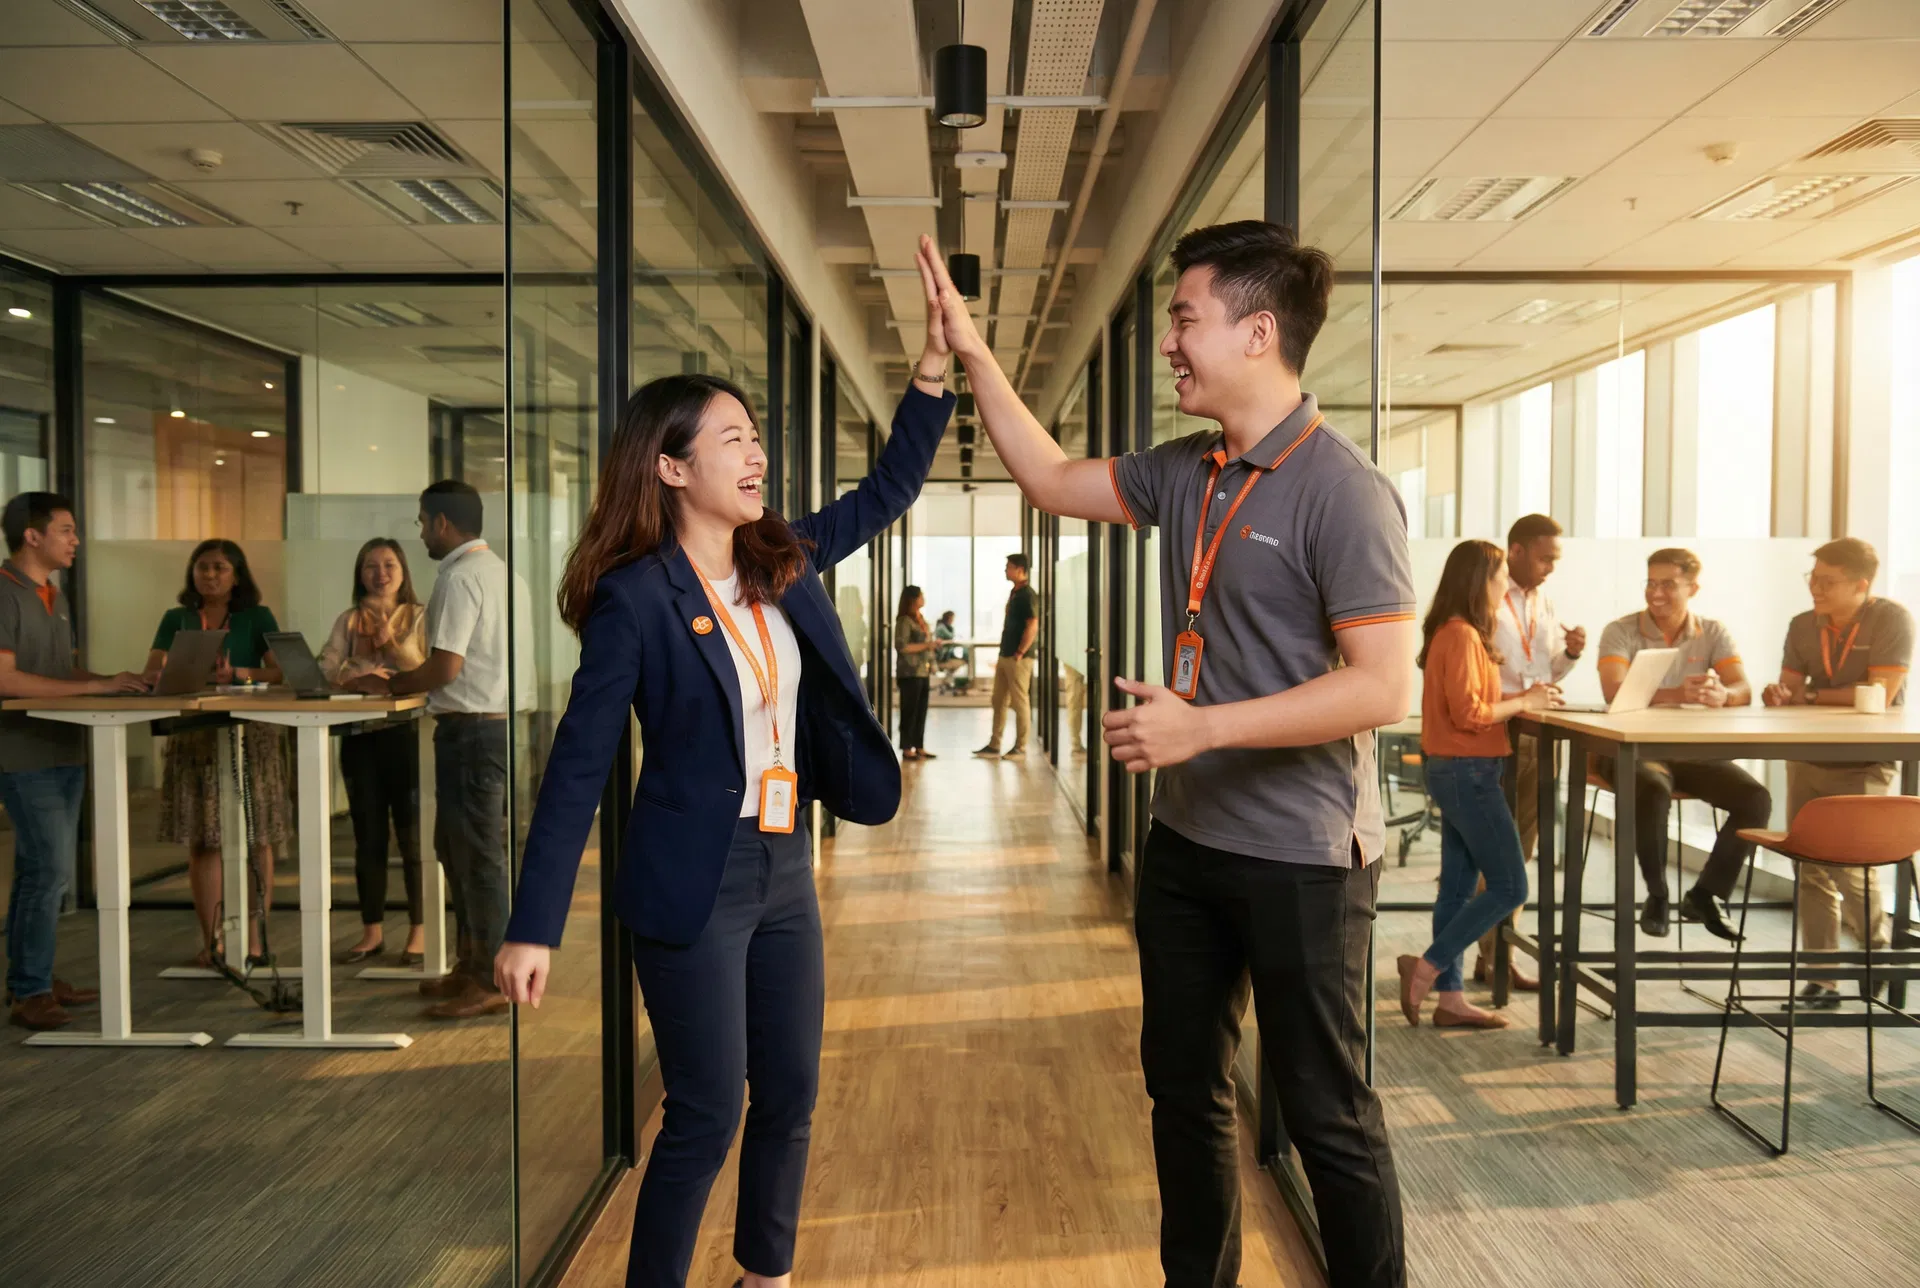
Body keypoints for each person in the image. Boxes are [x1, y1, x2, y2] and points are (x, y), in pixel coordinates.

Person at [917, 223, 1411, 1288]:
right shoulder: (1189, 469)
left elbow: (1382, 686)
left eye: (1186, 318)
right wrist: (971, 349)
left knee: (1327, 1115)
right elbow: (1050, 477)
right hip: (1188, 845)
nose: (1171, 343)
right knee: (1184, 1095)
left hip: (1304, 857)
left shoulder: (1344, 490)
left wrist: (1205, 725)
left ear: (1259, 330)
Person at [491, 354, 951, 1288]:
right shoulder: (636, 596)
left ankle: (764, 1274)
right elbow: (579, 765)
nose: (757, 456)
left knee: (789, 1094)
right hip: (693, 879)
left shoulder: (779, 558)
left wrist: (934, 375)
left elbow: (891, 487)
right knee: (705, 1113)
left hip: (784, 868)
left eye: (756, 438)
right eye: (733, 439)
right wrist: (534, 923)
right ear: (670, 468)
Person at [349, 481, 531, 1021]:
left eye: (423, 522)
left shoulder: (458, 575)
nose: (422, 532)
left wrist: (389, 684)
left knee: (477, 859)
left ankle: (487, 978)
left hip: (472, 733)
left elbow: (444, 668)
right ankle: (471, 964)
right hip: (486, 729)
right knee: (459, 852)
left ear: (443, 523)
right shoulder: (501, 572)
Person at [0, 493, 146, 1031]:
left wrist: (114, 684)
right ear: (32, 536)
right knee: (51, 871)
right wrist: (99, 685)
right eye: (66, 530)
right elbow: (6, 680)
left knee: (38, 872)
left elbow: (59, 676)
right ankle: (31, 990)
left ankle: (28, 978)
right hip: (22, 753)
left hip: (67, 746)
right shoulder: (3, 592)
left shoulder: (53, 596)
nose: (75, 540)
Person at [1397, 540, 1556, 1030]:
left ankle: (1451, 1000)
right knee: (1510, 885)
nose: (1505, 584)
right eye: (1499, 576)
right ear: (1478, 582)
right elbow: (1471, 716)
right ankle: (1426, 967)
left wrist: (1522, 696)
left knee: (1459, 889)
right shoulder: (1461, 634)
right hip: (1469, 772)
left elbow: (1472, 699)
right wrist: (1525, 701)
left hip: (1458, 770)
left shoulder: (1457, 633)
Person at [1762, 538, 1912, 1007]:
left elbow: (1880, 693)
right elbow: (1790, 688)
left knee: (1853, 869)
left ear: (1861, 585)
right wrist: (1784, 695)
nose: (1816, 589)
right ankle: (1822, 979)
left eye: (1828, 581)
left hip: (1863, 759)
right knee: (1808, 866)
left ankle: (1876, 947)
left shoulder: (1891, 619)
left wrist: (1807, 695)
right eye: (1813, 579)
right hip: (1806, 753)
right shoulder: (1802, 625)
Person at [1594, 548, 1769, 940]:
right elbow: (1613, 692)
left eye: (1668, 584)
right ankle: (1657, 893)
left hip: (1691, 753)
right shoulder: (1620, 631)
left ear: (1693, 587)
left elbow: (1744, 687)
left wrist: (1722, 694)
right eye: (1650, 583)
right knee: (1654, 787)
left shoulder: (1713, 631)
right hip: (1631, 751)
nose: (1656, 593)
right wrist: (1679, 693)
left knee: (1755, 799)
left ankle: (1706, 894)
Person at [144, 539, 291, 968]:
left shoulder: (256, 616)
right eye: (202, 567)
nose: (209, 575)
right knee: (204, 838)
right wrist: (184, 669)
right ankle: (211, 944)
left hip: (251, 732)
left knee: (257, 834)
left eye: (219, 568)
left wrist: (238, 674)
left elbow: (280, 670)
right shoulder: (177, 618)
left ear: (237, 575)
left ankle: (255, 941)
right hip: (195, 732)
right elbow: (153, 669)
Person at [1479, 512, 1585, 990]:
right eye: (1545, 557)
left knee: (1521, 851)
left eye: (1556, 560)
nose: (1551, 568)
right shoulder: (1485, 599)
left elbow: (1545, 673)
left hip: (1538, 735)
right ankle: (1465, 957)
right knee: (1489, 855)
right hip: (1495, 732)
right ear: (1516, 550)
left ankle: (1497, 955)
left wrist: (1571, 656)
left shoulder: (1545, 602)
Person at [320, 537, 428, 965]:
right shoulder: (348, 620)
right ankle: (371, 932)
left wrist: (387, 642)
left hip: (406, 736)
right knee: (367, 836)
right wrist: (359, 671)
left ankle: (420, 930)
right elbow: (326, 669)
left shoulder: (419, 616)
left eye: (388, 565)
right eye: (370, 566)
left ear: (403, 572)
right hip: (359, 735)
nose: (380, 573)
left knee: (412, 835)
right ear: (359, 574)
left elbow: (420, 669)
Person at [973, 553, 1037, 758]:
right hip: (1006, 654)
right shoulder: (1015, 593)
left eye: (1008, 567)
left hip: (1018, 658)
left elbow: (1032, 625)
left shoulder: (1028, 594)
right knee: (998, 700)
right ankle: (994, 744)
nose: (1005, 571)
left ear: (1020, 569)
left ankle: (1020, 747)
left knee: (1020, 703)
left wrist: (1020, 651)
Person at [894, 584, 936, 760]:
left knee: (921, 711)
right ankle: (906, 748)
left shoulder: (921, 619)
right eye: (921, 595)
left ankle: (919, 746)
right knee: (909, 711)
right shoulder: (904, 621)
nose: (923, 598)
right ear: (913, 599)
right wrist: (926, 646)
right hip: (910, 673)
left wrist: (931, 660)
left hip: (922, 671)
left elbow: (927, 644)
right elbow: (902, 646)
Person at [932, 609, 968, 691]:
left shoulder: (944, 626)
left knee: (963, 658)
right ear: (948, 618)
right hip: (942, 658)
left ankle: (946, 681)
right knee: (964, 660)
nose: (953, 621)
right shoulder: (942, 628)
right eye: (952, 618)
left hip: (945, 656)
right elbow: (951, 636)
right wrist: (951, 628)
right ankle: (946, 681)